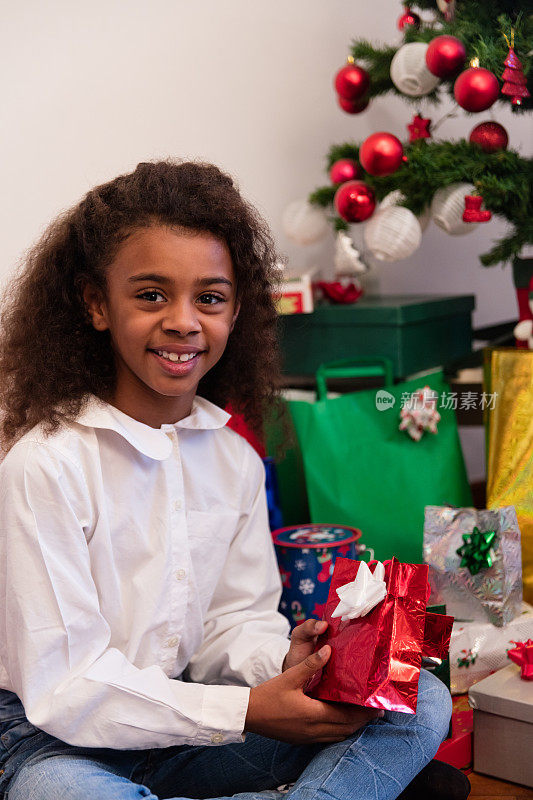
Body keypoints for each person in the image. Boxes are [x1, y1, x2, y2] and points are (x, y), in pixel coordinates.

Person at [0, 160, 454, 800]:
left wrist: (290, 668)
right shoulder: (44, 465)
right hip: (53, 746)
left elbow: (232, 623)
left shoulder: (233, 460)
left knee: (423, 701)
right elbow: (67, 688)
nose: (184, 321)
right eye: (152, 295)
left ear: (237, 311)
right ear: (96, 303)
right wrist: (247, 713)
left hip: (186, 729)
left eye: (209, 298)